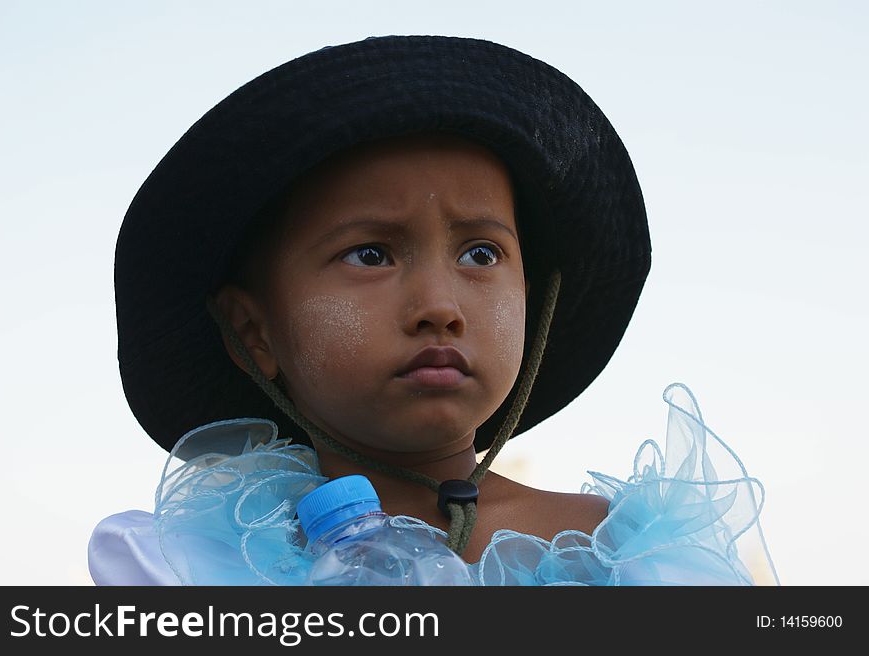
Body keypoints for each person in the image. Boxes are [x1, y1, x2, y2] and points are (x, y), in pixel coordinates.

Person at [89, 35, 778, 586]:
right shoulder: (199, 571)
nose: (440, 307)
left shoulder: (640, 562)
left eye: (481, 254)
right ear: (254, 332)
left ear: (532, 302)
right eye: (370, 255)